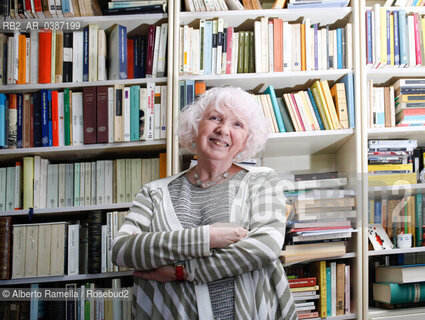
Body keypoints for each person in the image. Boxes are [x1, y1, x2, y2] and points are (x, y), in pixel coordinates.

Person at [112, 86, 297, 320]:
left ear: (245, 141)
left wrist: (182, 271)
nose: (223, 130)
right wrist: (206, 237)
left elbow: (264, 246)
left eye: (237, 124)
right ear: (195, 126)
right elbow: (121, 251)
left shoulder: (261, 181)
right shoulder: (154, 192)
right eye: (215, 118)